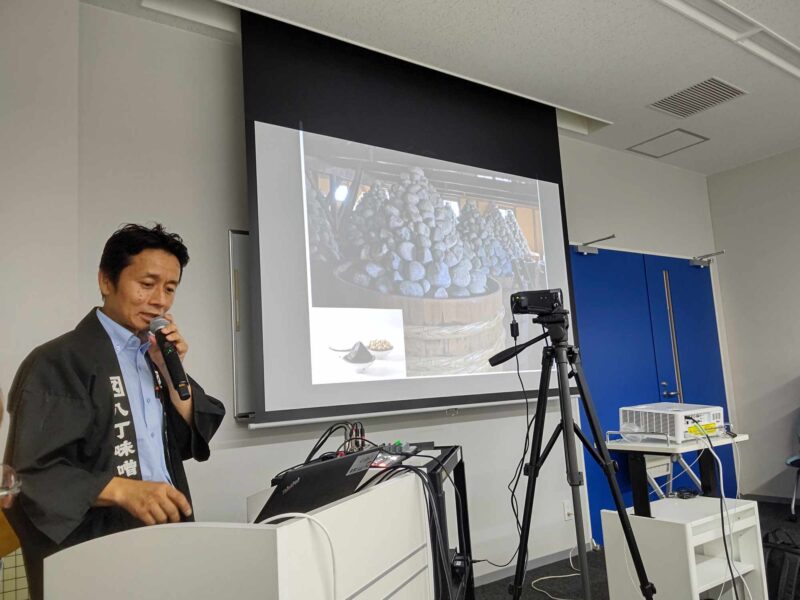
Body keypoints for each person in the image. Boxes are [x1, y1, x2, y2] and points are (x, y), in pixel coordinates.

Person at [3, 224, 225, 600]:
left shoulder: (155, 356)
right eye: (147, 283)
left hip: (163, 534)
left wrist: (174, 375)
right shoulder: (57, 362)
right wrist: (123, 490)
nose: (160, 300)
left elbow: (192, 432)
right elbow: (31, 474)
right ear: (106, 281)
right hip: (96, 546)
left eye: (170, 289)